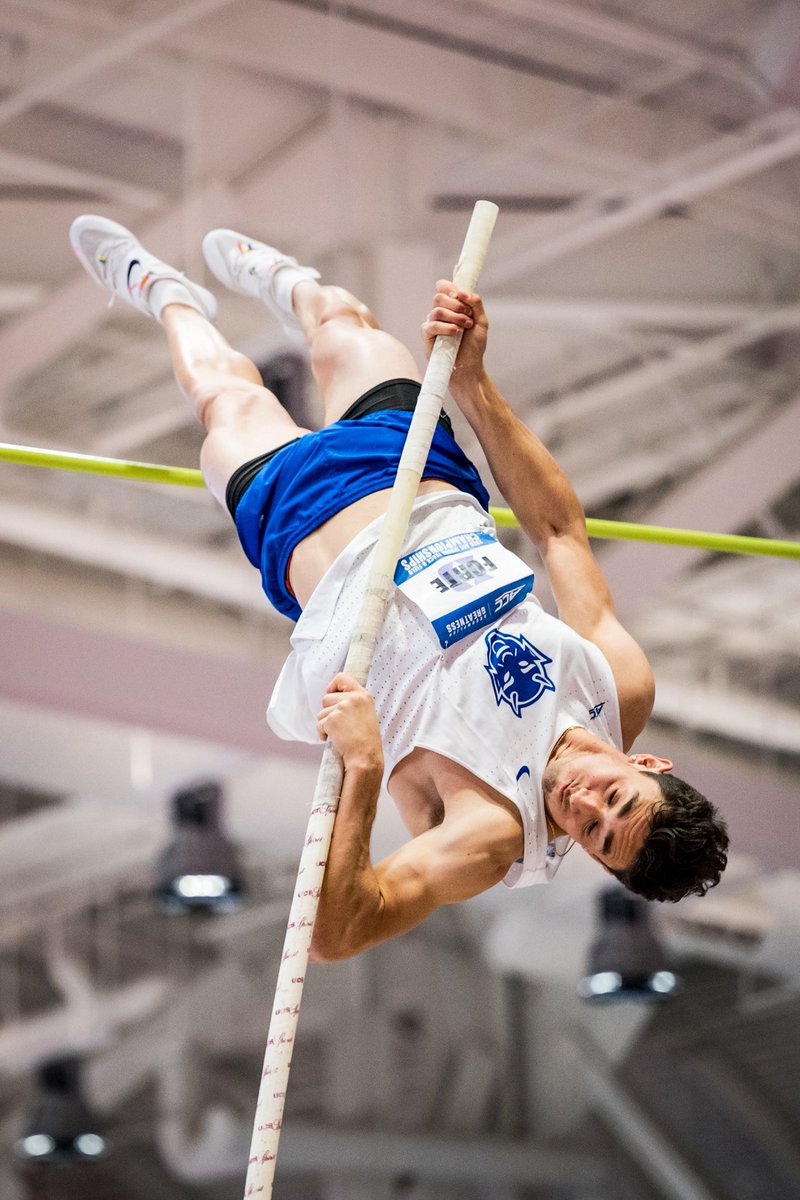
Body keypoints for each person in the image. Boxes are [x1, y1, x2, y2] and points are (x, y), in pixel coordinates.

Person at [70, 215, 729, 961]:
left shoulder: (491, 836)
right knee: (342, 326)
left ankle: (163, 292)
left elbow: (338, 934)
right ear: (647, 764)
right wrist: (473, 383)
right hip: (416, 470)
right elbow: (557, 531)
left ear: (599, 863)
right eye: (613, 798)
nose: (581, 805)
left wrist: (364, 769)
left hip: (303, 532)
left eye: (597, 837)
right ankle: (285, 281)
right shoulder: (617, 687)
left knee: (224, 398)